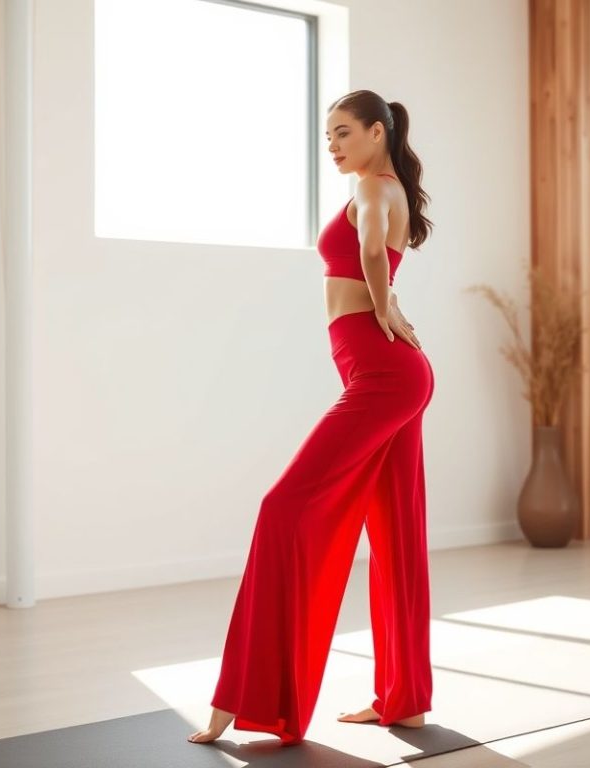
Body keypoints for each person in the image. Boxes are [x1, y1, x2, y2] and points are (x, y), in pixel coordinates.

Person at [188, 89, 435, 745]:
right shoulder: (383, 187)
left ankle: (245, 699)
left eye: (344, 132)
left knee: (281, 507)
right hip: (392, 374)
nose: (333, 145)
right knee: (396, 535)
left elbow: (372, 250)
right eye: (328, 136)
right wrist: (387, 304)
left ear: (378, 133)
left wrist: (383, 305)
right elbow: (375, 250)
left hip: (384, 376)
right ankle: (404, 699)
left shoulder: (373, 189)